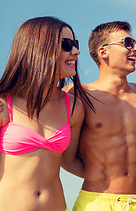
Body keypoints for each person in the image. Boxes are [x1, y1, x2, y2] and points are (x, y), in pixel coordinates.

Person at [69, 21, 136, 211]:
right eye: (128, 43)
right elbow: (65, 157)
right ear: (103, 52)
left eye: (135, 42)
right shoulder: (77, 95)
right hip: (96, 202)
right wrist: (98, 175)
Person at [0, 16, 91, 211]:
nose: (76, 51)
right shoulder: (3, 103)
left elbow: (70, 162)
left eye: (75, 44)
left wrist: (119, 176)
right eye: (67, 44)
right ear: (39, 47)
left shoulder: (73, 107)